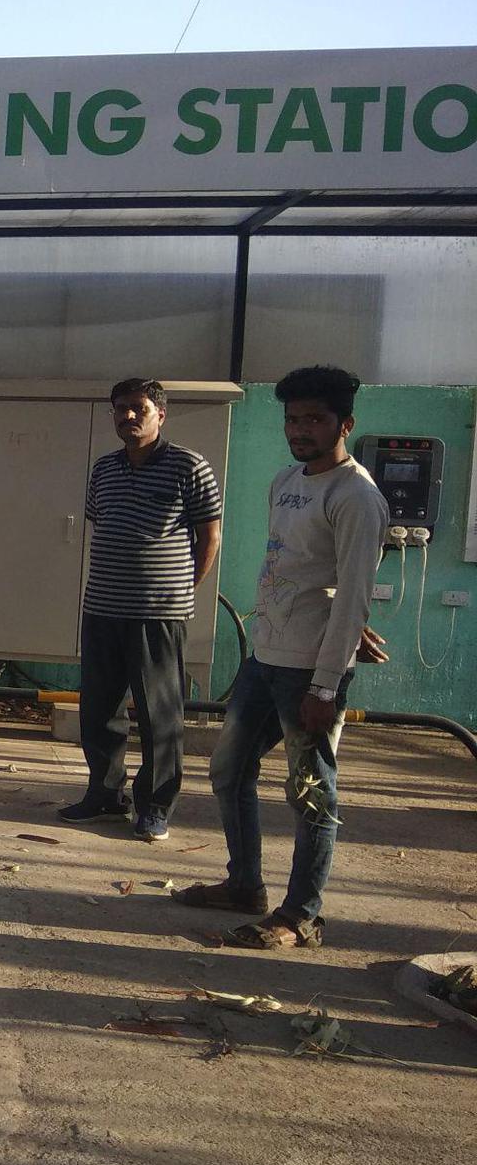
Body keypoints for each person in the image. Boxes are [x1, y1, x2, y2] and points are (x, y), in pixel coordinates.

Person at [180, 365, 388, 949]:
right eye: (293, 419)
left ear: (345, 424)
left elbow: (354, 592)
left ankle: (301, 916)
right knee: (228, 770)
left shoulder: (356, 497)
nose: (300, 430)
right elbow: (300, 570)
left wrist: (326, 684)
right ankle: (244, 885)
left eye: (314, 419)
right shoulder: (286, 480)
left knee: (310, 791)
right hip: (264, 655)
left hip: (309, 672)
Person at [59, 379, 223, 841]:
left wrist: (181, 588)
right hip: (103, 606)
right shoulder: (105, 469)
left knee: (159, 714)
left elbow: (210, 536)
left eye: (138, 408)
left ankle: (155, 806)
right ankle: (105, 795)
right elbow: (102, 524)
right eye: (120, 409)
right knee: (99, 709)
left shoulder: (189, 466)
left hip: (158, 612)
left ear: (160, 414)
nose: (128, 416)